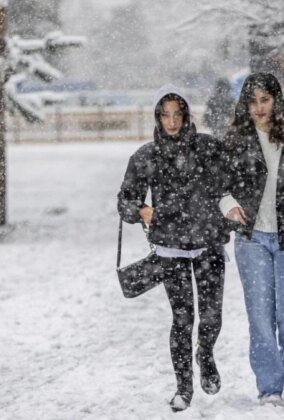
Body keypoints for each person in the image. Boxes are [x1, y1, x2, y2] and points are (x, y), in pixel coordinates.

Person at [117, 84, 230, 412]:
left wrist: (230, 210)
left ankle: (205, 355)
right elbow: (125, 199)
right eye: (164, 115)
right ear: (157, 117)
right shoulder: (146, 156)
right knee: (182, 319)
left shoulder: (208, 148)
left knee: (211, 317)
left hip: (208, 244)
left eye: (176, 114)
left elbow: (231, 183)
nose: (171, 121)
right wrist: (141, 210)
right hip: (170, 249)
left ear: (186, 115)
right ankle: (183, 386)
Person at [218, 73, 284, 405]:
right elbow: (218, 185)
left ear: (276, 101)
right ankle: (269, 386)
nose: (259, 108)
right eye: (252, 102)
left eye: (265, 100)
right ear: (244, 105)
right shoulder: (234, 142)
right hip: (251, 239)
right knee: (260, 315)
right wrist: (229, 205)